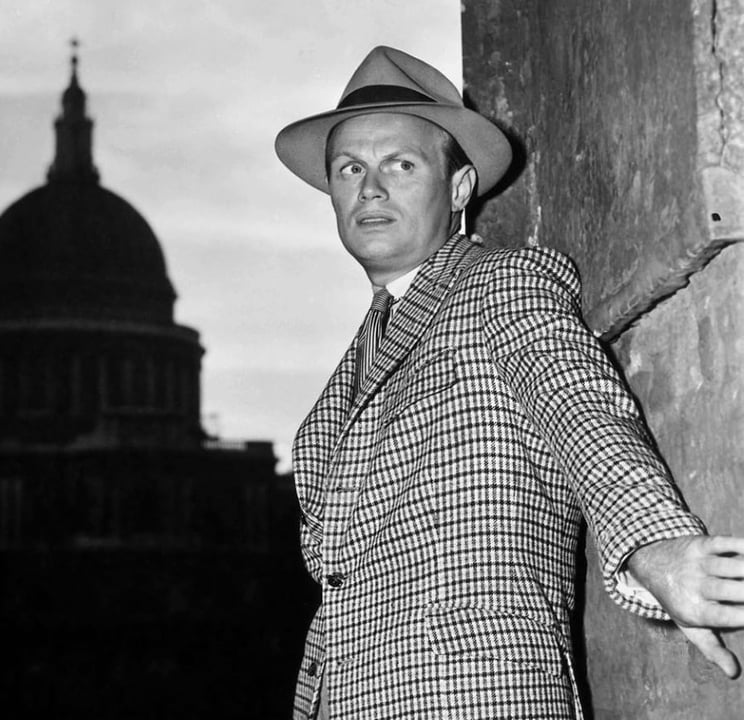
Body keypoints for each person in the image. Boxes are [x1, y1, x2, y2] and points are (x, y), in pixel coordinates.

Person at [274, 46, 744, 719]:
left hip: (476, 698)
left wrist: (652, 545)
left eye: (400, 165)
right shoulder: (332, 401)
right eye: (350, 169)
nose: (370, 190)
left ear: (460, 189)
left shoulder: (503, 285)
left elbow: (581, 409)